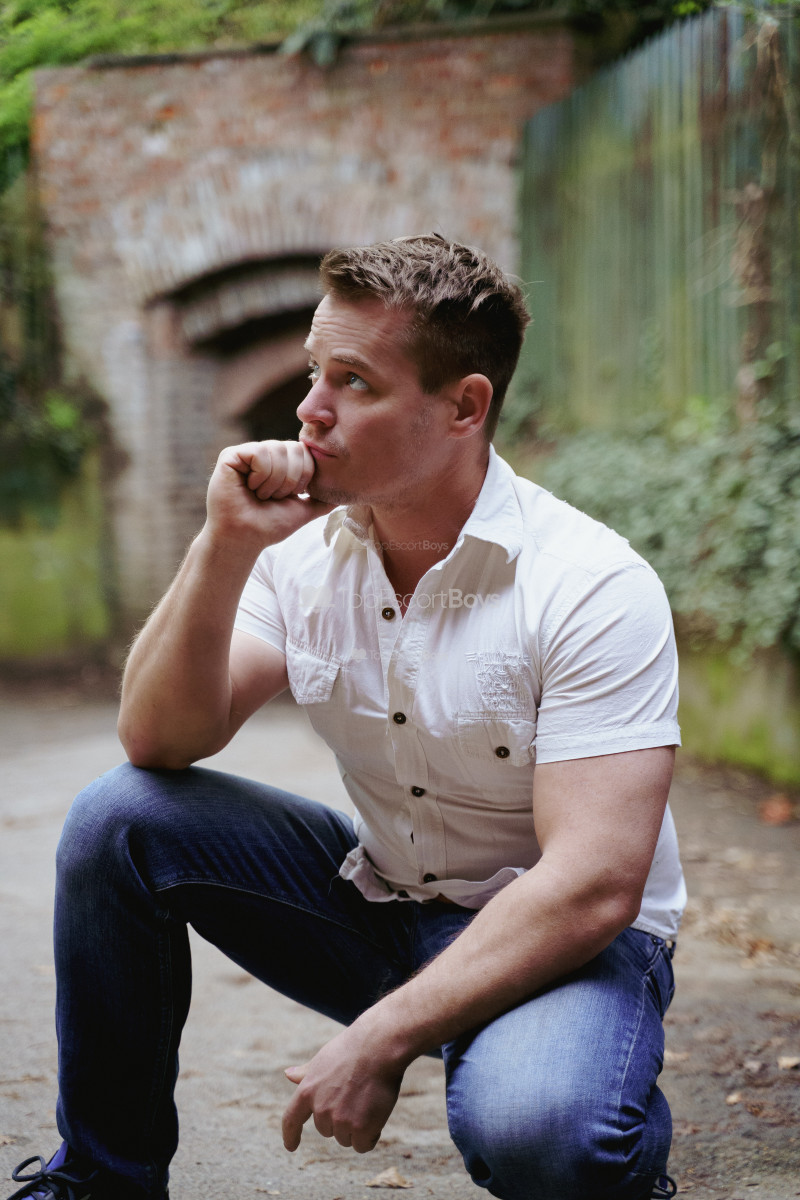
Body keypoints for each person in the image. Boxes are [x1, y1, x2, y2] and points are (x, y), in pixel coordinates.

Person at [6, 235, 684, 1200]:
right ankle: (100, 1181)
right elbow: (158, 739)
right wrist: (222, 547)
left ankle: (610, 1135)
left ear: (464, 407)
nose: (310, 409)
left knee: (544, 1133)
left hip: (564, 944)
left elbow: (593, 884)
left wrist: (379, 1038)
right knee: (121, 817)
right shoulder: (303, 557)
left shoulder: (589, 584)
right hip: (385, 903)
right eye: (314, 371)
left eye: (354, 381)